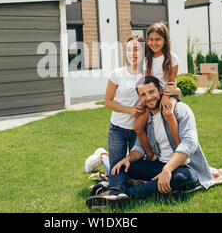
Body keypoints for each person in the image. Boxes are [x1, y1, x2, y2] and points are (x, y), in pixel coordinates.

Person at [86, 76, 213, 209]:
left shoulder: (180, 109)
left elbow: (189, 143)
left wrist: (167, 169)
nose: (149, 97)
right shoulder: (147, 120)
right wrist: (129, 158)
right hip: (158, 165)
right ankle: (111, 179)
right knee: (121, 166)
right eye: (143, 94)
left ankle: (125, 195)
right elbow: (139, 148)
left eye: (151, 92)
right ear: (140, 98)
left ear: (160, 90)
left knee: (183, 177)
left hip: (183, 167)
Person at [103, 35, 146, 193]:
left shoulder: (148, 74)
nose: (132, 53)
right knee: (117, 169)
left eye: (136, 49)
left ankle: (102, 158)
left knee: (134, 168)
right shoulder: (116, 74)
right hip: (118, 129)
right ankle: (116, 191)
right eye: (128, 49)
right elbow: (107, 101)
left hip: (138, 130)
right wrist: (129, 110)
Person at [134, 22, 181, 162]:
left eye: (158, 39)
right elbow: (147, 81)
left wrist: (165, 97)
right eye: (151, 40)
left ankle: (180, 150)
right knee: (137, 126)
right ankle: (150, 154)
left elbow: (171, 82)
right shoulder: (147, 59)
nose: (154, 43)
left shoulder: (172, 58)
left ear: (165, 40)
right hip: (152, 96)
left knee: (167, 113)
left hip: (168, 93)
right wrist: (144, 103)